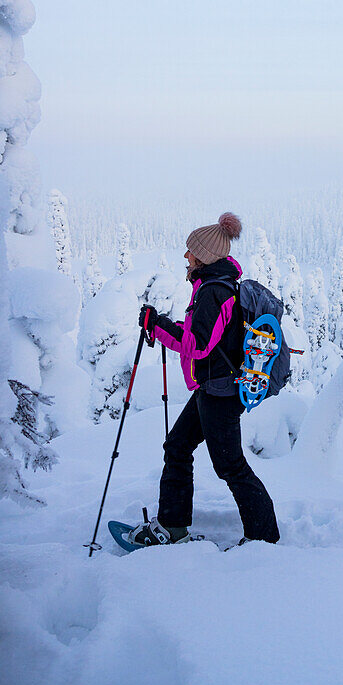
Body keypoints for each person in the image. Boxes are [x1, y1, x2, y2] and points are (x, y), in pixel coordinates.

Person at [129, 211, 280, 548]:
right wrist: (163, 325)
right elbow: (201, 339)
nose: (186, 256)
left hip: (220, 393)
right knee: (178, 447)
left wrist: (158, 326)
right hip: (213, 388)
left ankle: (263, 537)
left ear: (204, 256)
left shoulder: (214, 291)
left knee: (230, 466)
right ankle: (172, 526)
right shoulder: (214, 287)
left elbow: (196, 346)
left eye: (190, 251)